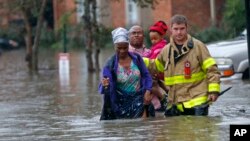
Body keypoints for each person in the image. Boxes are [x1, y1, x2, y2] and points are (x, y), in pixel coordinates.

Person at [143, 14, 221, 116]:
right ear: (171, 29)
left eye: (182, 29)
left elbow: (212, 70)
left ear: (186, 28)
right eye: (176, 29)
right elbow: (157, 66)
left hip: (198, 102)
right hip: (176, 103)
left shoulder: (198, 47)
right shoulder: (166, 50)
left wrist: (214, 91)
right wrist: (139, 60)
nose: (179, 32)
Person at [99, 27, 155, 120]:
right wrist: (105, 85)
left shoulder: (137, 58)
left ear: (128, 45)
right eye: (119, 48)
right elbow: (105, 86)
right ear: (114, 46)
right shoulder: (110, 64)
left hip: (139, 100)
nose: (122, 51)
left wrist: (148, 91)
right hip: (120, 104)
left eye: (125, 47)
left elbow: (146, 75)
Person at [147, 21, 169, 111]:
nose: (153, 41)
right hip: (159, 74)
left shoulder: (161, 48)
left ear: (162, 37)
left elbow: (154, 62)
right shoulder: (155, 47)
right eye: (151, 39)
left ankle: (163, 99)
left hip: (161, 73)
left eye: (155, 39)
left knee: (152, 85)